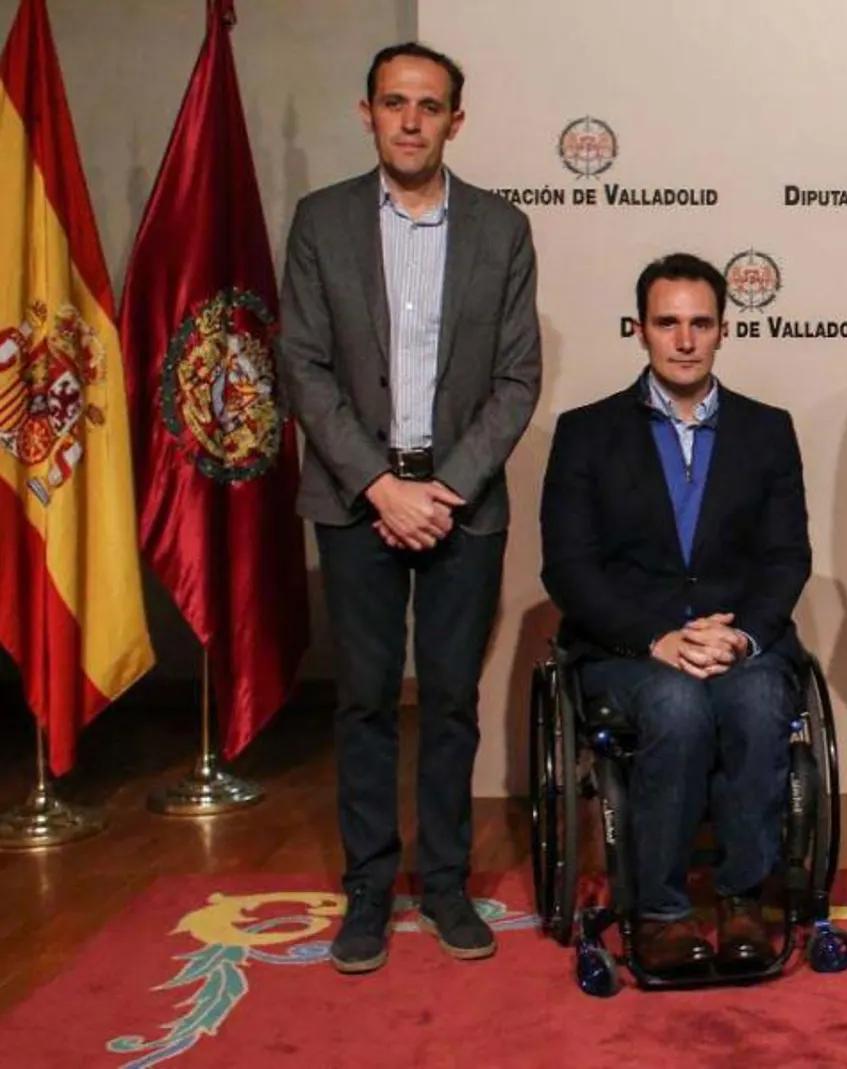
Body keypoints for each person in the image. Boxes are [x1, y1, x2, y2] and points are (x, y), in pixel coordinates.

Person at [278, 42, 542, 975]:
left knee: (454, 698)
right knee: (363, 700)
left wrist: (443, 488)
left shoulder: (503, 230)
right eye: (395, 102)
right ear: (368, 113)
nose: (411, 120)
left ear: (455, 122)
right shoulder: (321, 221)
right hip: (358, 501)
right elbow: (303, 366)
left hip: (462, 502)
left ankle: (443, 883)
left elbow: (517, 380)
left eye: (430, 106)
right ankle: (366, 887)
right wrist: (381, 486)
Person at [540, 253, 812, 977]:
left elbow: (787, 557)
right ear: (641, 330)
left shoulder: (767, 430)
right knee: (677, 704)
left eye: (700, 323)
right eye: (668, 323)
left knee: (758, 696)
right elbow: (568, 569)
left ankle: (742, 900)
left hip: (738, 639)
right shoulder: (585, 432)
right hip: (630, 648)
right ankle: (659, 913)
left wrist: (742, 634)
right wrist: (655, 637)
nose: (684, 340)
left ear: (724, 330)